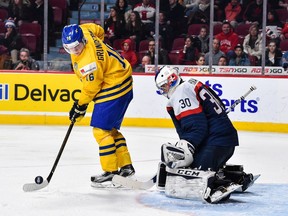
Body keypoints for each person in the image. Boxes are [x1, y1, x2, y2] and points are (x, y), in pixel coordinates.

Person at [154, 65, 256, 203]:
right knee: (188, 167)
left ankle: (221, 184)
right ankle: (236, 176)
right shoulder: (190, 85)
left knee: (193, 174)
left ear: (171, 80)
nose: (163, 90)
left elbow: (196, 127)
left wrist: (187, 147)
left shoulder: (181, 92)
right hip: (222, 140)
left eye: (163, 86)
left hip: (216, 142)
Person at [62, 23, 135, 186]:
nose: (75, 51)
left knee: (101, 131)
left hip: (114, 86)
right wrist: (102, 53)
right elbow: (99, 30)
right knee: (110, 130)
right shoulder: (85, 31)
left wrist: (79, 106)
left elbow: (90, 89)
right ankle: (126, 166)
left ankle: (110, 172)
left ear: (82, 40)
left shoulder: (89, 63)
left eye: (77, 47)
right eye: (70, 48)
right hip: (121, 80)